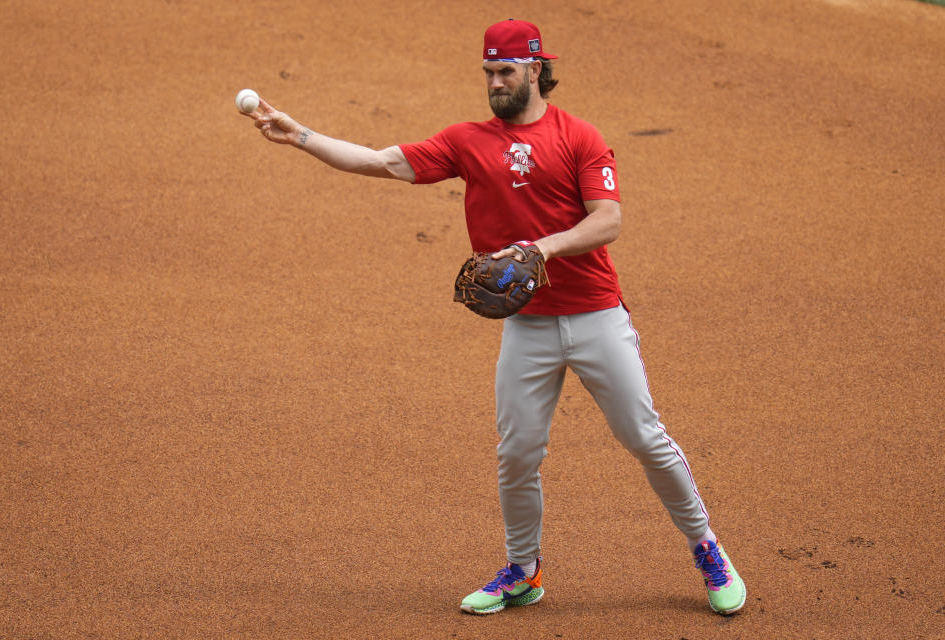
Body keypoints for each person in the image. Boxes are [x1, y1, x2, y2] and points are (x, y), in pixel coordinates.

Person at [240, 18, 746, 617]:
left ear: (536, 69)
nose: (495, 83)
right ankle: (523, 571)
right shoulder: (466, 140)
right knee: (518, 451)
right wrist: (300, 135)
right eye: (488, 73)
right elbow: (378, 161)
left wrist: (542, 248)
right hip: (528, 326)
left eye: (505, 71)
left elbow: (607, 219)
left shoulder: (581, 137)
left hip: (594, 315)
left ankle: (706, 547)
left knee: (644, 438)